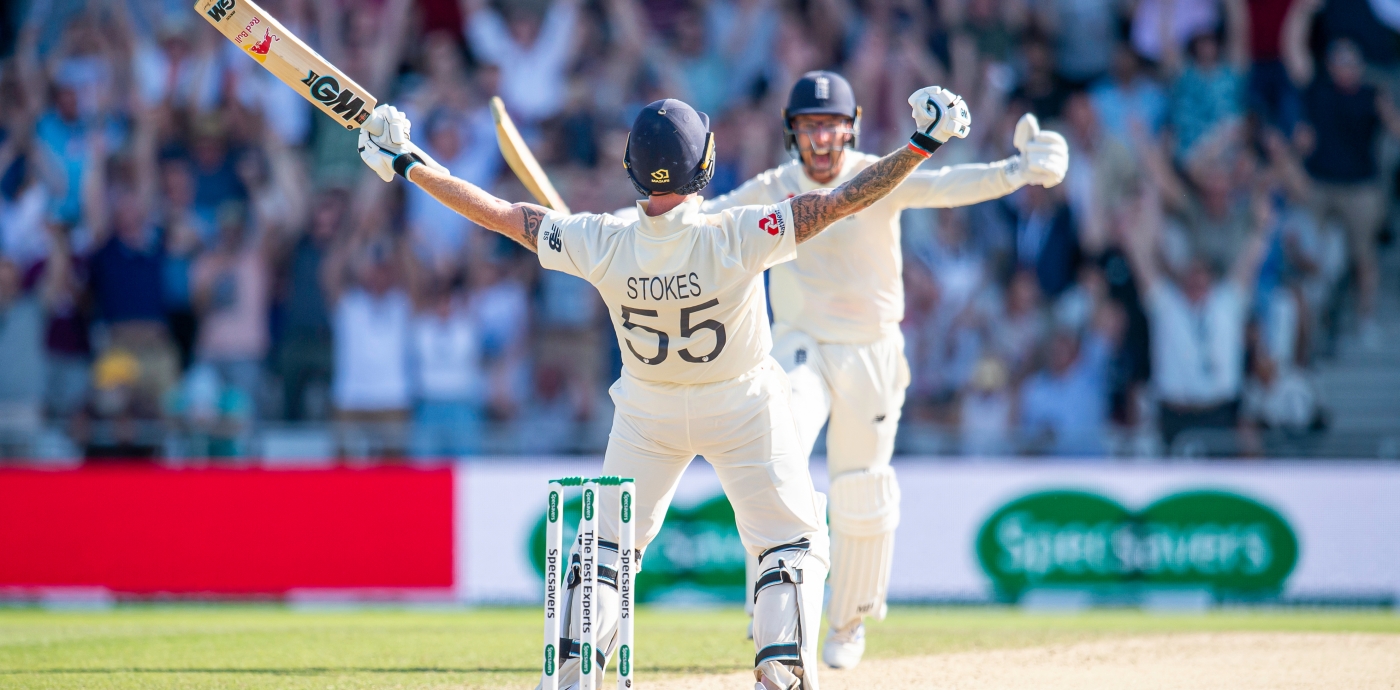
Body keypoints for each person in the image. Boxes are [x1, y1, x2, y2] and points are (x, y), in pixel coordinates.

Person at [356, 83, 972, 690]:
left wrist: (410, 162)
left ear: (631, 168)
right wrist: (921, 143)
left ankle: (571, 676)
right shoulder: (737, 232)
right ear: (705, 166)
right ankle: (779, 672)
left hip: (647, 413)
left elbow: (500, 216)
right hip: (743, 406)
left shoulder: (601, 240)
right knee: (790, 540)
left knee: (605, 546)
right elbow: (841, 201)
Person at [700, 71, 1069, 669]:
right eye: (809, 127)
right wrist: (627, 234)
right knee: (780, 448)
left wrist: (1018, 171)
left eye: (831, 127)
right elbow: (706, 221)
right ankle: (771, 603)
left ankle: (847, 623)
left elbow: (948, 186)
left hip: (872, 350)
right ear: (792, 133)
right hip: (803, 345)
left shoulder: (882, 174)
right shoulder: (774, 186)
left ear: (853, 127)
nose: (821, 140)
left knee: (862, 487)